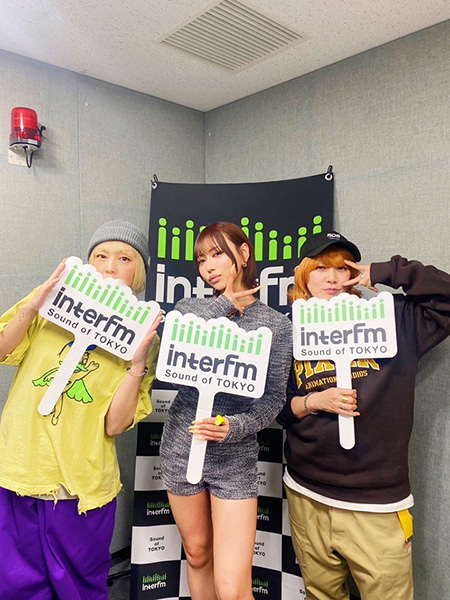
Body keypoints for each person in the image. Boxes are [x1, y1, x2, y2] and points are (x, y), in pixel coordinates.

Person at [277, 230, 450, 600]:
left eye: (342, 268)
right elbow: (277, 408)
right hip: (307, 494)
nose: (332, 278)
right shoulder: (289, 328)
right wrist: (314, 401)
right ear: (303, 274)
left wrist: (387, 272)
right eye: (320, 268)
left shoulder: (396, 319)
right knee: (321, 595)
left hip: (376, 505)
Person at [0, 220, 161, 600]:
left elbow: (116, 424)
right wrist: (34, 305)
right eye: (100, 256)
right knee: (15, 585)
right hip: (20, 469)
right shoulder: (50, 302)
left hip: (83, 486)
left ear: (138, 272)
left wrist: (137, 364)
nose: (110, 267)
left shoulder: (145, 337)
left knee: (80, 588)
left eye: (124, 259)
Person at [160, 221, 292, 600]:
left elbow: (272, 401)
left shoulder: (276, 325)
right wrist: (225, 305)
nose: (209, 267)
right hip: (181, 450)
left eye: (217, 254)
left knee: (233, 587)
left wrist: (232, 426)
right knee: (197, 554)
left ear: (244, 252)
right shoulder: (190, 309)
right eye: (202, 260)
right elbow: (172, 350)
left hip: (234, 458)